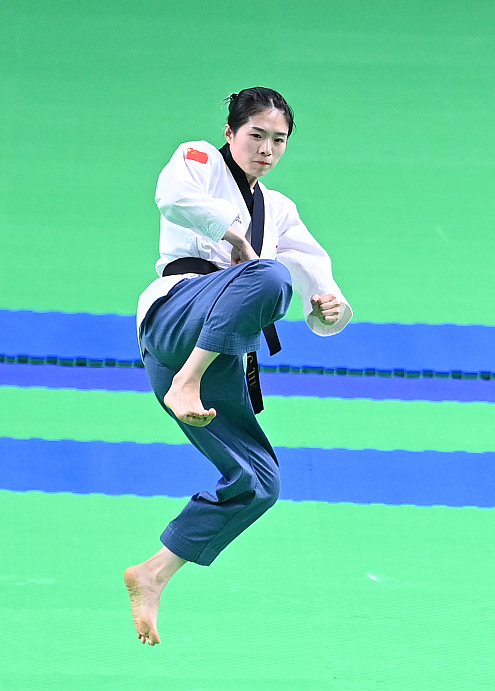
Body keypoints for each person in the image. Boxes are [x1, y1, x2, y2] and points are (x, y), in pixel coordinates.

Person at [124, 87, 353, 645]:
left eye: (279, 140)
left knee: (258, 483)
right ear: (231, 133)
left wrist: (330, 306)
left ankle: (153, 573)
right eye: (257, 135)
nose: (268, 149)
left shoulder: (279, 208)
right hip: (176, 314)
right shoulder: (198, 159)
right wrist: (234, 236)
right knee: (268, 276)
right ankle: (187, 380)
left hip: (221, 346)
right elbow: (172, 198)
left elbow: (314, 269)